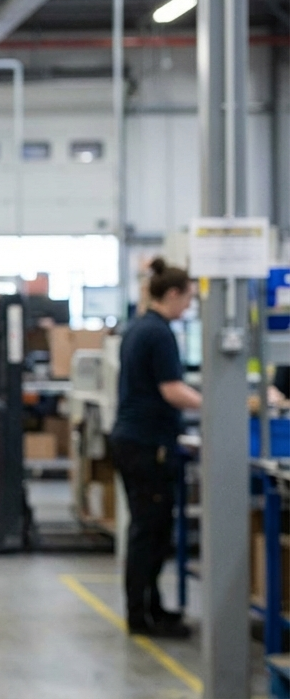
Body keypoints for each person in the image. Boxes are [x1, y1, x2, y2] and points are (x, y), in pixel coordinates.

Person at [111, 257, 201, 638]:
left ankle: (151, 608)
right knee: (149, 532)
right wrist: (216, 403)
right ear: (174, 294)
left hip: (136, 441)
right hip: (146, 444)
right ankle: (141, 616)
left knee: (152, 530)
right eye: (189, 299)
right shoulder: (159, 333)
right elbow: (171, 390)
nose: (190, 307)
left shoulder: (140, 327)